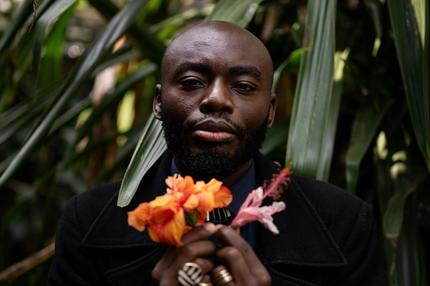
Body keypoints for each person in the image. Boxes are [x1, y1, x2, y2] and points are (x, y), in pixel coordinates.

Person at [48, 21, 385, 286]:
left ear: (270, 112)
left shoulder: (344, 225)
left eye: (243, 87)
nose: (217, 99)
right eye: (193, 82)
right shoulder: (88, 222)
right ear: (158, 102)